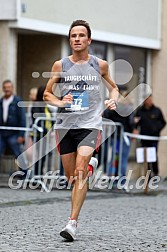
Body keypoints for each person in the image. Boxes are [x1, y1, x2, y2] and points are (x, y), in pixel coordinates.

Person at [43, 20, 119, 241]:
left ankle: (72, 223)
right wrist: (60, 101)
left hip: (90, 124)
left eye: (81, 35)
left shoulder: (100, 65)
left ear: (89, 40)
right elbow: (47, 93)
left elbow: (113, 87)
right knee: (71, 178)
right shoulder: (60, 65)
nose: (77, 39)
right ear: (70, 40)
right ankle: (90, 168)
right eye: (73, 36)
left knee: (78, 171)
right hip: (65, 125)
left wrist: (112, 101)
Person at [102, 91, 135, 185]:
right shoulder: (129, 108)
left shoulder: (114, 107)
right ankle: (122, 179)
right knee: (123, 159)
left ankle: (111, 177)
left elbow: (105, 115)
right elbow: (131, 122)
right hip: (124, 136)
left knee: (114, 157)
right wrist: (133, 129)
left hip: (114, 136)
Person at [134, 95, 166, 176]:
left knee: (153, 155)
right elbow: (135, 122)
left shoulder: (157, 110)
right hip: (144, 137)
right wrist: (135, 128)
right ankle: (147, 173)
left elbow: (163, 122)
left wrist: (157, 129)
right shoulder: (140, 111)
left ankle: (156, 172)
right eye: (148, 100)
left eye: (151, 99)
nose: (150, 101)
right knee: (145, 156)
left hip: (154, 137)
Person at [0, 79, 27, 175]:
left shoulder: (17, 101)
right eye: (5, 88)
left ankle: (25, 173)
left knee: (18, 153)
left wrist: (21, 135)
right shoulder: (1, 101)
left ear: (12, 88)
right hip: (2, 132)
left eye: (9, 87)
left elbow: (22, 119)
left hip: (14, 133)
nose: (7, 89)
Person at [31, 86, 53, 175]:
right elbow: (37, 120)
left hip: (45, 135)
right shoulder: (37, 105)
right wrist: (46, 130)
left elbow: (49, 119)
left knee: (42, 157)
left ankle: (38, 175)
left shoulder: (45, 106)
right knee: (40, 157)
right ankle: (37, 175)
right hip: (39, 135)